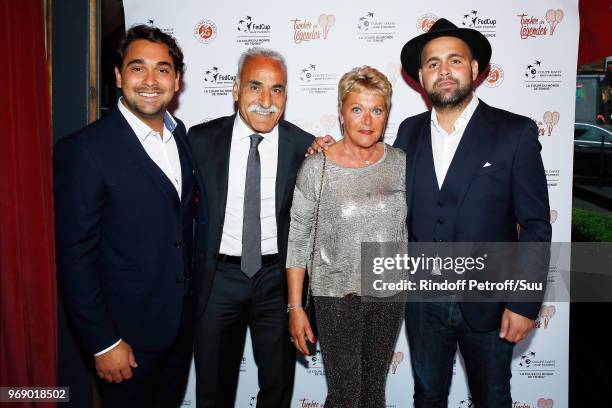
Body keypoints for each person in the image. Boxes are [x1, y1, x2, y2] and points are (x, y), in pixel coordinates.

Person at [309, 18, 551, 407]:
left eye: (454, 60)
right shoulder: (409, 132)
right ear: (421, 76)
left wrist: (523, 303)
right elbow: (367, 169)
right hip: (422, 302)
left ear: (473, 69)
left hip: (490, 302)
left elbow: (537, 226)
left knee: (493, 396)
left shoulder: (514, 132)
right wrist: (322, 151)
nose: (444, 71)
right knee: (427, 395)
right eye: (433, 63)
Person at [54, 25, 199, 407]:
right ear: (118, 76)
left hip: (178, 330)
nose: (151, 80)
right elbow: (74, 256)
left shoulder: (181, 137)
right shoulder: (84, 151)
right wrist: (102, 342)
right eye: (138, 68)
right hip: (125, 341)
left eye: (163, 69)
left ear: (177, 80)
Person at [188, 47, 314, 408]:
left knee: (278, 387)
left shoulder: (303, 146)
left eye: (277, 90)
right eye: (255, 86)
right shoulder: (199, 140)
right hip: (217, 280)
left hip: (276, 281)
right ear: (235, 89)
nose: (266, 100)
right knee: (212, 389)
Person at [286, 66, 406, 408]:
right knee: (344, 395)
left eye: (376, 110)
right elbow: (298, 238)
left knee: (373, 393)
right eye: (357, 109)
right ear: (341, 113)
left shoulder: (400, 163)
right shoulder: (317, 167)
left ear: (386, 114)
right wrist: (295, 306)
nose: (367, 119)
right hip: (336, 296)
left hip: (388, 294)